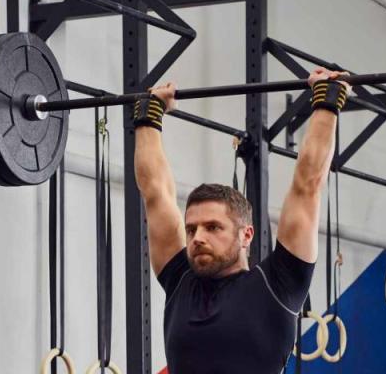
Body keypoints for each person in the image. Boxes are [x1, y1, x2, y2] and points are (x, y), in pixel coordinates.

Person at [133, 67, 350, 373]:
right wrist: (149, 116)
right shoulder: (180, 279)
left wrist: (327, 101)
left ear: (246, 235)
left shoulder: (278, 284)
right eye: (192, 228)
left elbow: (308, 185)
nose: (197, 238)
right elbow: (155, 192)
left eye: (213, 227)